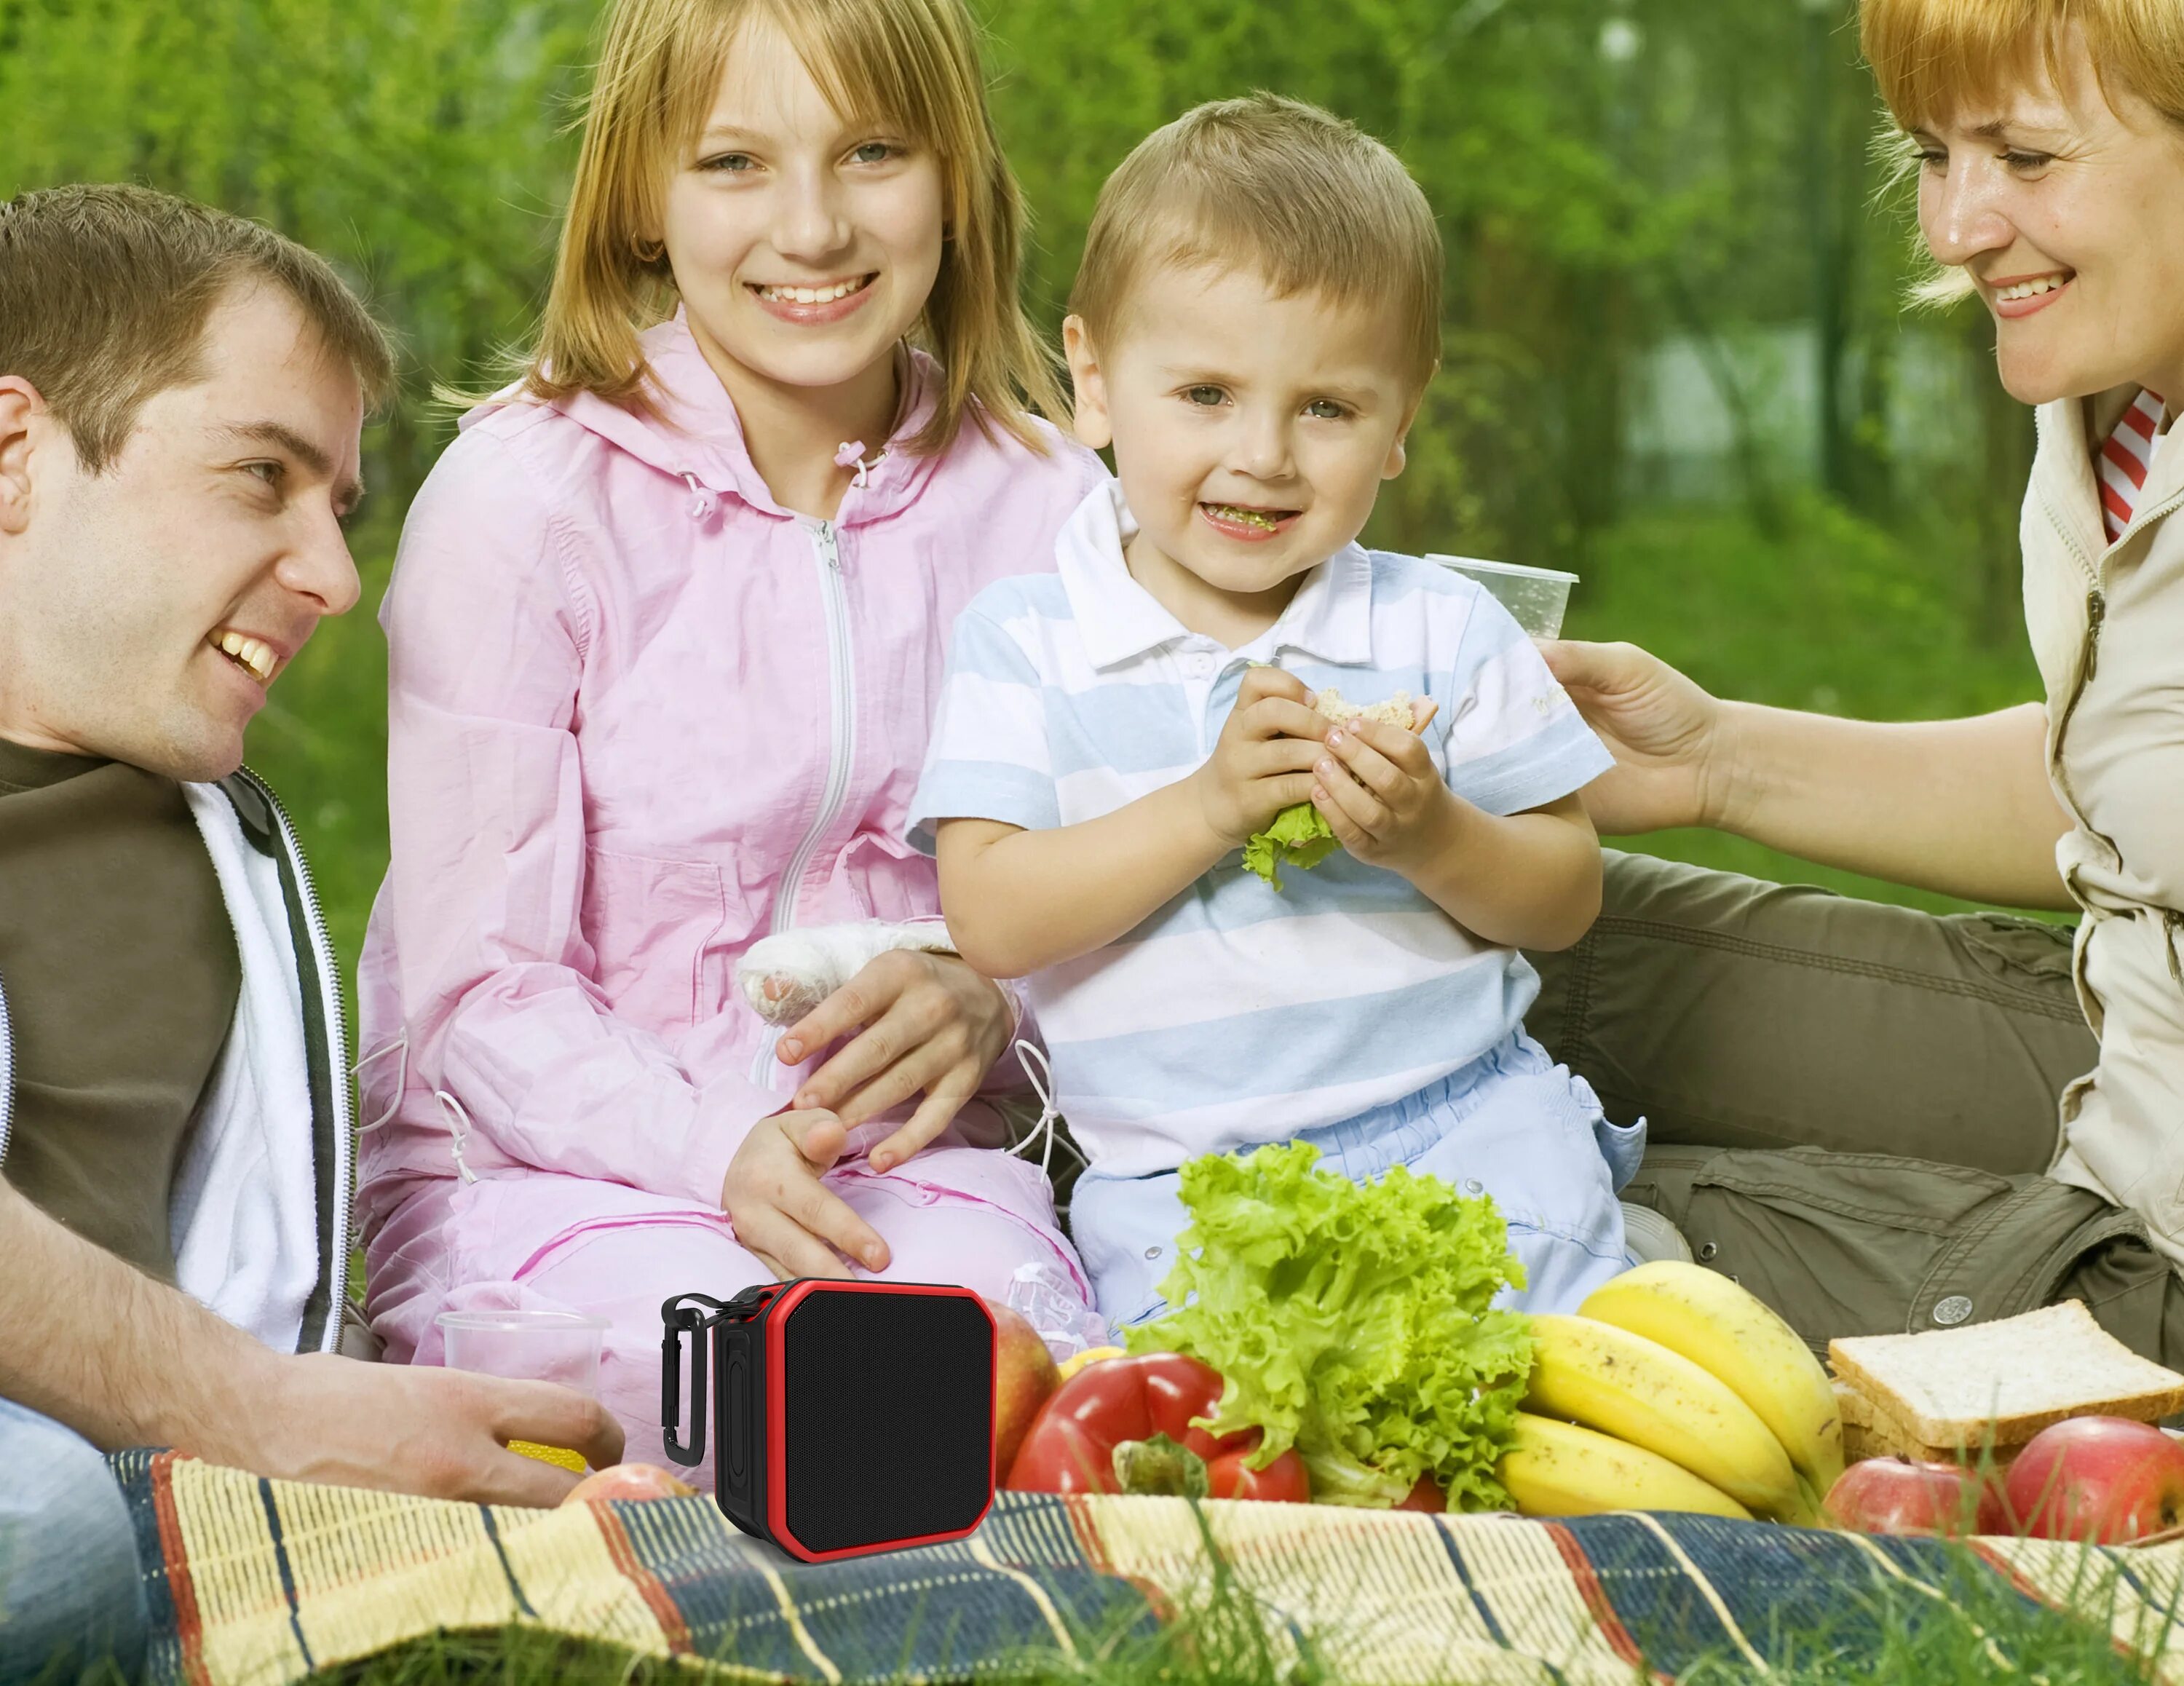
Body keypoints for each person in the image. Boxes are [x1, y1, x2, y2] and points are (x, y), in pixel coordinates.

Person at [355, 0, 1106, 1484]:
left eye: (874, 152)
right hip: (550, 1168)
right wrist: (716, 1148)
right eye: (735, 163)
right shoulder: (521, 505)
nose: (812, 228)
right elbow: (474, 998)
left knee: (1018, 1360)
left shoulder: (1056, 513)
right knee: (703, 1368)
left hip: (902, 1167)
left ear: (956, 176)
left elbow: (1122, 903)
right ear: (641, 191)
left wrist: (994, 998)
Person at [0, 185, 622, 1685]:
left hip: (167, 1506)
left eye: (335, 509)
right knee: (46, 1534)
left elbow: (273, 1304)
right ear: (14, 454)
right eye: (257, 477)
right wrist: (260, 1414)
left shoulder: (223, 856)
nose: (338, 582)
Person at [908, 95, 1639, 1335]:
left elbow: (1565, 896)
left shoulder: (1445, 628)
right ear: (1092, 381)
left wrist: (1430, 837)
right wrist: (1206, 807)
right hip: (1183, 1187)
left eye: (1329, 409)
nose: (1264, 456)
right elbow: (992, 919)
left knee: (1565, 1383)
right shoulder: (1026, 641)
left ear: (1401, 421)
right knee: (1214, 1449)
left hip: (1467, 1124)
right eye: (1204, 392)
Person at [1522, 0, 2184, 1358]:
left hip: (2159, 1240)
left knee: (1517, 1212)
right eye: (1938, 157)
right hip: (2115, 1017)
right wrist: (1715, 759)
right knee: (1502, 947)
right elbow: (2130, 778)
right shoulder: (2121, 403)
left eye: (2030, 158)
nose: (1956, 227)